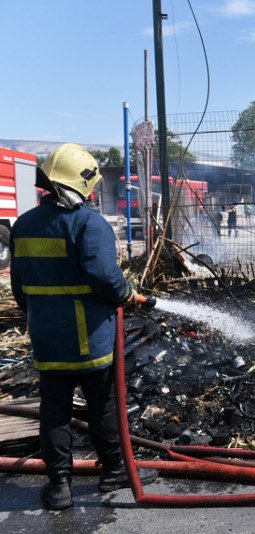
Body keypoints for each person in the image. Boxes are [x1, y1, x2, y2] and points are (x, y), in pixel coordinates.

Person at [9, 143, 158, 511]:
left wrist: (41, 315)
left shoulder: (23, 225)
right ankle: (115, 470)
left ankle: (59, 486)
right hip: (89, 337)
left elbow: (19, 288)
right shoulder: (89, 223)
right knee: (102, 405)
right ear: (84, 183)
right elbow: (105, 277)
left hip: (47, 336)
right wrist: (127, 295)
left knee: (54, 410)